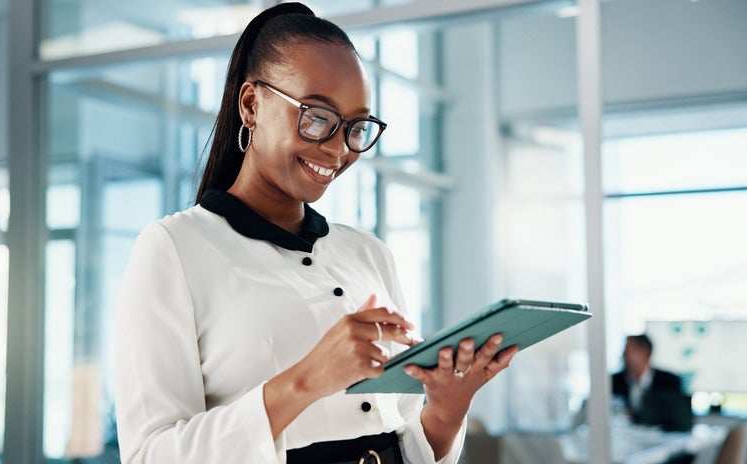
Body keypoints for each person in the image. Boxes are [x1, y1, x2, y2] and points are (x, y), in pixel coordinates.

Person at [113, 3, 518, 464]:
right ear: (252, 105)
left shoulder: (369, 254)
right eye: (317, 116)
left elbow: (404, 437)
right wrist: (306, 380)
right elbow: (150, 455)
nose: (339, 148)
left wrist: (446, 410)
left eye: (356, 127)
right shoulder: (174, 249)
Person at [611, 334, 692, 432]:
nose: (624, 355)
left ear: (645, 353)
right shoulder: (613, 381)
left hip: (659, 440)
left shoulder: (669, 381)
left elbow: (677, 418)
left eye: (628, 350)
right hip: (623, 438)